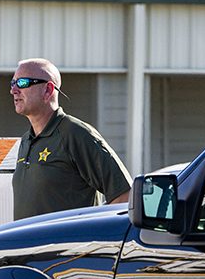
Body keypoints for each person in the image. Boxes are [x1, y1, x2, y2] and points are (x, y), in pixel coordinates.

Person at [10, 58, 132, 220]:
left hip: (67, 246)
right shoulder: (27, 140)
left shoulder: (76, 134)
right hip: (28, 245)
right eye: (13, 83)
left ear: (48, 90)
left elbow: (124, 194)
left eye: (23, 83)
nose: (14, 90)